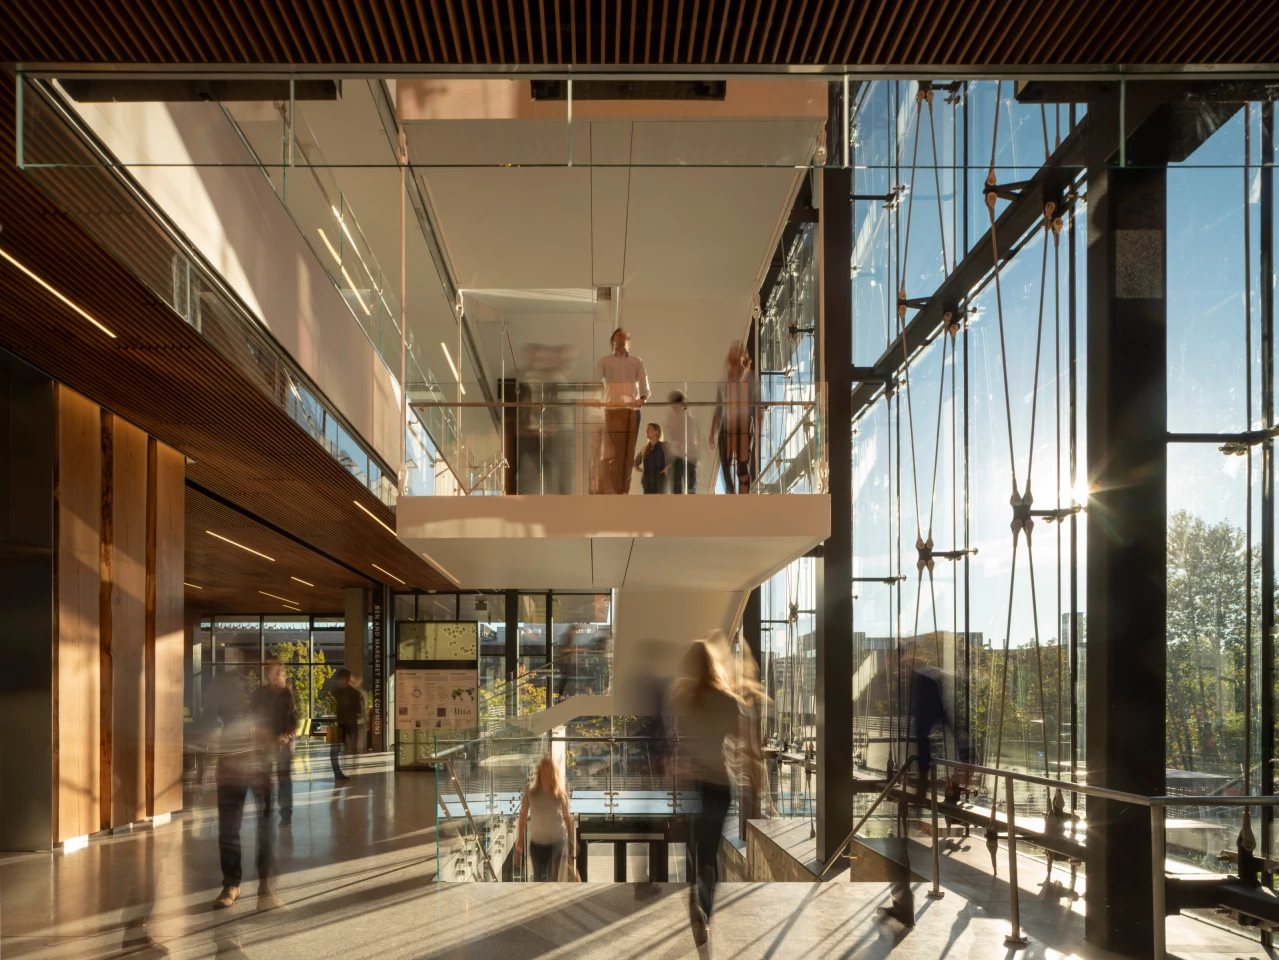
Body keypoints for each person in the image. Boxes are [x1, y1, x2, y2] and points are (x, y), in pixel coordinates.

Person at [673, 639, 746, 947]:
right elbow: (740, 739)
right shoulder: (728, 700)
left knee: (694, 850)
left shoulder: (684, 699)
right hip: (720, 784)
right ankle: (705, 911)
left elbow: (677, 738)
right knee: (709, 852)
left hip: (694, 785)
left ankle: (696, 901)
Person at [206, 653, 277, 910]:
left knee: (265, 829)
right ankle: (231, 884)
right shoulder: (224, 687)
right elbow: (208, 720)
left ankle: (265, 886)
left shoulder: (271, 692)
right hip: (230, 767)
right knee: (229, 829)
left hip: (260, 767)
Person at [595, 328, 649, 494]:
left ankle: (624, 490)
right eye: (617, 336)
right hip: (613, 409)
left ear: (628, 342)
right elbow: (596, 381)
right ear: (612, 342)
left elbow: (643, 379)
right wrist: (596, 398)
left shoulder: (636, 361)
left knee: (629, 451)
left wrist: (643, 397)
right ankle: (617, 489)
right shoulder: (604, 361)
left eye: (624, 336)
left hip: (632, 410)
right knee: (618, 450)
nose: (621, 337)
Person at [253, 658, 299, 826]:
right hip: (265, 742)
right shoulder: (260, 693)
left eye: (278, 671)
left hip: (284, 743)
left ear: (282, 673)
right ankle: (266, 810)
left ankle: (286, 814)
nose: (274, 674)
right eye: (271, 670)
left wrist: (286, 737)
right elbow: (255, 717)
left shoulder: (289, 694)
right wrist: (267, 736)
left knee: (284, 777)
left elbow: (295, 719)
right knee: (264, 777)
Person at [710, 342, 760, 494]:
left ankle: (743, 500)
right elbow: (719, 408)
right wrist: (712, 431)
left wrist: (758, 429)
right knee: (725, 466)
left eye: (736, 351)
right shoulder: (724, 381)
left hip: (744, 426)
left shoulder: (749, 378)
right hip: (726, 426)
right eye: (732, 350)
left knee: (743, 466)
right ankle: (731, 493)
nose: (732, 353)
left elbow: (758, 406)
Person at [516, 755, 573, 881]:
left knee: (552, 879)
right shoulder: (531, 794)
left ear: (553, 773)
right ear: (539, 772)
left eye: (548, 770)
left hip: (556, 843)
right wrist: (519, 841)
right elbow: (522, 818)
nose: (545, 774)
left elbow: (567, 818)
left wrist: (572, 841)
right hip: (536, 845)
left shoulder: (560, 795)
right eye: (543, 770)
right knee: (538, 879)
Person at [330, 669, 366, 782]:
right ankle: (351, 760)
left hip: (338, 724)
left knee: (335, 750)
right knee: (351, 744)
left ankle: (338, 773)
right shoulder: (355, 693)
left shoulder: (334, 691)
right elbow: (359, 710)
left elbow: (331, 707)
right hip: (350, 723)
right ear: (348, 678)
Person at [664, 390, 700, 494]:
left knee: (690, 485)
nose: (672, 408)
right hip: (677, 455)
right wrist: (676, 443)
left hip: (689, 455)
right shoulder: (671, 417)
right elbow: (669, 433)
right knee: (676, 483)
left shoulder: (688, 417)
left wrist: (682, 444)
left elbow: (689, 435)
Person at [634, 422, 667, 494]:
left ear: (656, 432)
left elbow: (675, 458)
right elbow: (635, 463)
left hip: (660, 483)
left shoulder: (664, 446)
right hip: (647, 484)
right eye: (646, 429)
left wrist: (667, 468)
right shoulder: (644, 449)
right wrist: (643, 471)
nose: (646, 431)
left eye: (649, 428)